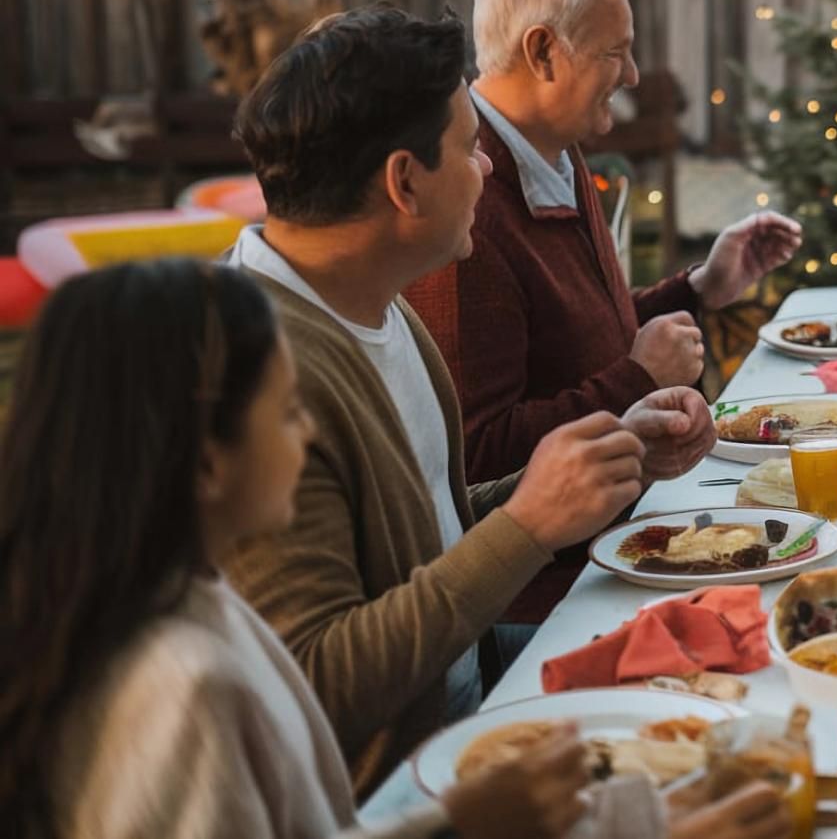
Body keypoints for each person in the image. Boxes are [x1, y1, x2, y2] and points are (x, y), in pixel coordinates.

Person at [223, 3, 717, 794]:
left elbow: (433, 530)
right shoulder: (253, 371)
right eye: (468, 149)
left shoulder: (379, 306)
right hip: (386, 797)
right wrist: (527, 525)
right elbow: (315, 682)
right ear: (405, 182)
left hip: (470, 716)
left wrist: (607, 460)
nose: (487, 168)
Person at [0, 261, 572, 838]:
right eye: (288, 411)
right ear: (207, 463)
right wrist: (462, 826)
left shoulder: (176, 595)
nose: (306, 433)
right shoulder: (185, 689)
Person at [406, 0, 801, 622]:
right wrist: (635, 383)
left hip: (617, 538)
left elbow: (579, 343)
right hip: (552, 603)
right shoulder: (468, 209)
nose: (636, 74)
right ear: (542, 52)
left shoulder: (554, 156)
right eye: (614, 54)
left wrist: (700, 288)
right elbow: (473, 457)